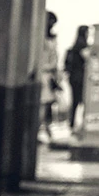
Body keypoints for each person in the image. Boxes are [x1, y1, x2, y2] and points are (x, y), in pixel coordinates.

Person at [39, 11, 61, 142]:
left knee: (46, 105)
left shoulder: (49, 38)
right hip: (45, 74)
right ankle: (43, 130)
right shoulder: (41, 39)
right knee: (44, 105)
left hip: (48, 75)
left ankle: (46, 130)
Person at [64, 25, 88, 133]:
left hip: (73, 77)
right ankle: (79, 123)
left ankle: (72, 122)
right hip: (80, 77)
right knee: (82, 101)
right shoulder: (82, 46)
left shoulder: (74, 46)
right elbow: (88, 58)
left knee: (74, 100)